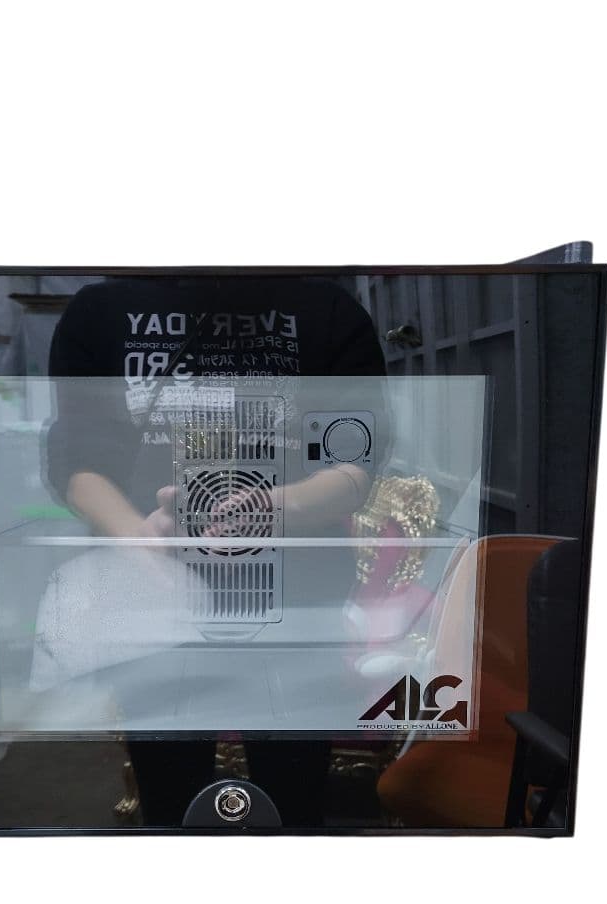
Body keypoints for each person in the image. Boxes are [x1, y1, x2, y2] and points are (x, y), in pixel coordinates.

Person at [45, 274, 386, 826]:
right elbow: (77, 458)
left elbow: (354, 460)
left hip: (293, 601)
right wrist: (138, 537)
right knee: (169, 798)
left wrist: (271, 509)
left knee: (295, 799)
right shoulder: (103, 310)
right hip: (155, 599)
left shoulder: (322, 308)